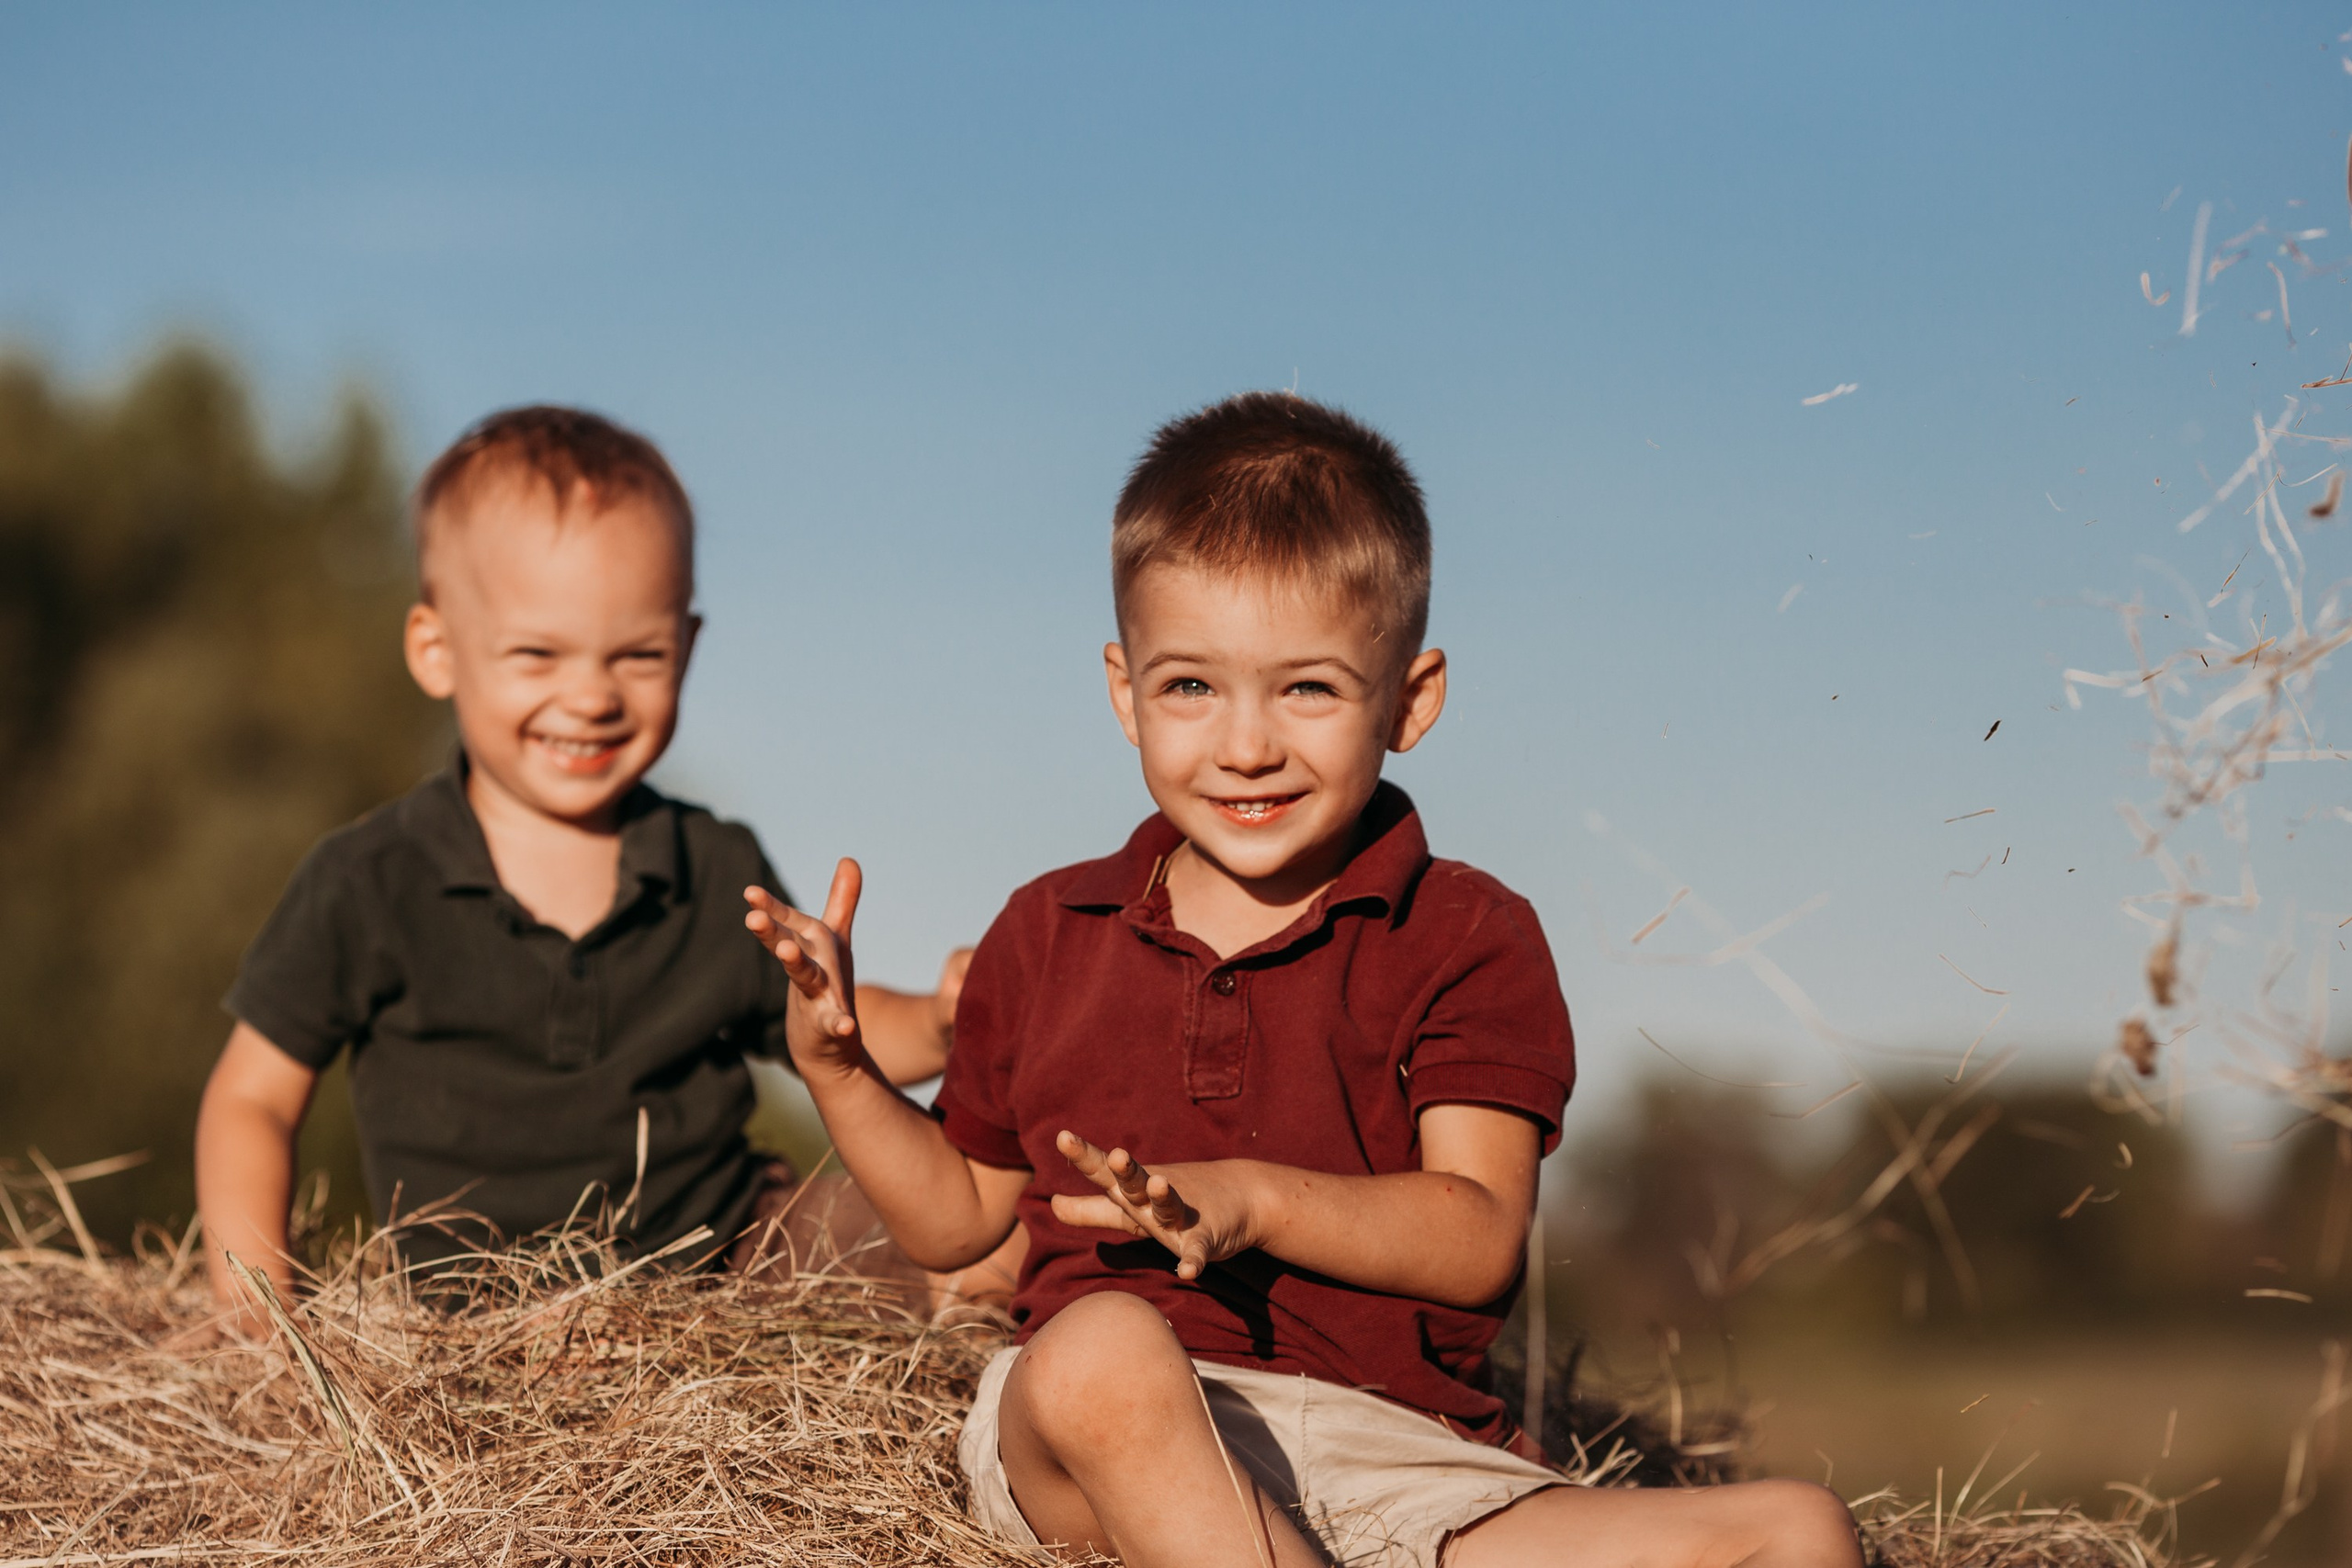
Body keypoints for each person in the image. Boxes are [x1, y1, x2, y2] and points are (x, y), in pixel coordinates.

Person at [745, 392, 1862, 1568]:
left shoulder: (1466, 933)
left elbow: (1476, 1231)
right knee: (1099, 1348)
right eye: (1191, 688)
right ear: (1124, 692)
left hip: (1402, 1461)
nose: (1245, 745)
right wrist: (840, 1068)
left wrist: (1252, 1199)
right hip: (1111, 1447)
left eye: (1309, 689)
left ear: (1410, 702)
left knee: (1796, 1532)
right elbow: (954, 1216)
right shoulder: (1051, 927)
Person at [194, 405, 1012, 1334]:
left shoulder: (712, 865)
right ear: (436, 650)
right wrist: (259, 1323)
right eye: (537, 654)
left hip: (737, 1256)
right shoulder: (369, 881)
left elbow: (829, 1032)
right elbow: (252, 1098)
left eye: (638, 656)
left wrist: (948, 1021)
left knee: (997, 1230)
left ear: (689, 649)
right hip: (478, 1317)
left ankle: (1013, 1403)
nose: (589, 696)